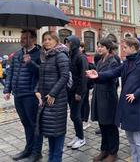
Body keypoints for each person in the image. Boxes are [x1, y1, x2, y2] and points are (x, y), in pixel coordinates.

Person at [86, 37, 140, 162]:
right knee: (131, 139)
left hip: (135, 105)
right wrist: (98, 75)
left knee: (139, 140)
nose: (122, 50)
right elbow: (113, 72)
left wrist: (137, 94)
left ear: (133, 48)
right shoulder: (126, 62)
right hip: (126, 105)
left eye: (125, 47)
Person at [3, 30, 43, 162]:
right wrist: (7, 89)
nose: (22, 40)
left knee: (34, 124)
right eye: (21, 38)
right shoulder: (18, 53)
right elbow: (11, 72)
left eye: (25, 38)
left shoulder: (39, 53)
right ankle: (28, 149)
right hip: (18, 94)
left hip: (31, 95)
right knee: (25, 124)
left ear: (33, 39)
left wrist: (31, 63)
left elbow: (42, 74)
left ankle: (37, 152)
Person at [35, 31, 69, 162]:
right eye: (44, 39)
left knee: (58, 133)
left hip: (57, 100)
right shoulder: (46, 56)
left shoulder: (61, 55)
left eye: (49, 39)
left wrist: (53, 93)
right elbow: (41, 76)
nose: (46, 42)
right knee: (50, 134)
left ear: (56, 41)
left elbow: (65, 76)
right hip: (46, 100)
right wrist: (37, 90)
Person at [91, 38, 120, 162]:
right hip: (99, 96)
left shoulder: (112, 61)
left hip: (108, 98)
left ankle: (113, 152)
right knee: (102, 125)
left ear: (108, 48)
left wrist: (97, 77)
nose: (99, 48)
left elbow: (112, 78)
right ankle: (104, 150)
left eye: (102, 46)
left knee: (111, 126)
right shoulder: (100, 60)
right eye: (98, 46)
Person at [64, 35, 89, 150]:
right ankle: (77, 136)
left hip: (78, 92)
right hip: (70, 90)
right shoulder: (70, 56)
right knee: (73, 115)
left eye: (68, 43)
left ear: (74, 44)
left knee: (75, 115)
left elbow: (83, 77)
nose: (66, 45)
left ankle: (81, 138)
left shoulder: (81, 57)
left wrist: (79, 92)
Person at [79, 42, 92, 130]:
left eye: (80, 47)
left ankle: (86, 121)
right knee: (81, 103)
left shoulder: (87, 57)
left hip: (86, 83)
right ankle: (82, 119)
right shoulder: (76, 56)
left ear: (83, 48)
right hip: (81, 84)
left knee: (85, 102)